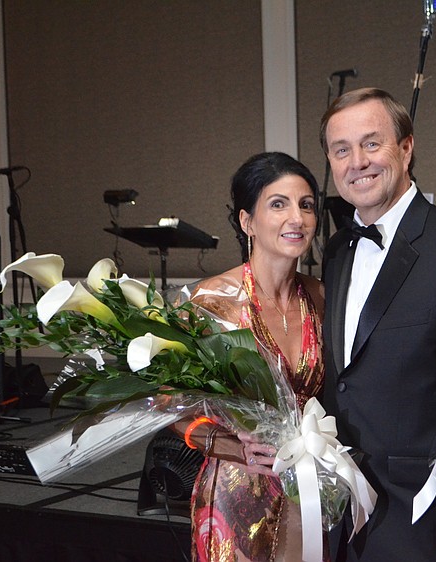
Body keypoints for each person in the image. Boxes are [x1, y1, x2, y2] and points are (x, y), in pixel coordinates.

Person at [319, 87, 436, 561]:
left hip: (419, 521)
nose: (357, 161)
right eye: (342, 150)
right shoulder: (338, 251)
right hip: (342, 517)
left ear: (406, 148)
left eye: (371, 143)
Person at [175, 152, 326, 561]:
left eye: (306, 205)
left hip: (313, 489)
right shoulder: (210, 301)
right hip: (238, 495)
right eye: (278, 204)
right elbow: (167, 405)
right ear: (247, 221)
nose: (297, 218)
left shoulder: (322, 296)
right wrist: (228, 445)